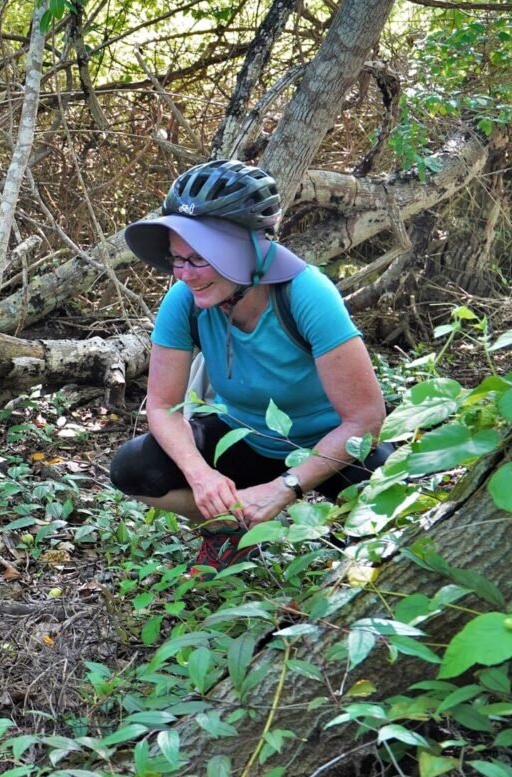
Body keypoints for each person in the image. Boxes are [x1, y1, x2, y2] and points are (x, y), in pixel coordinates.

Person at [111, 159, 391, 570]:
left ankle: (341, 533)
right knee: (134, 468)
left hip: (328, 448)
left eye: (199, 258)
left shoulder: (306, 294)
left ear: (249, 249)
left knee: (389, 500)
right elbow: (162, 406)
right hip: (245, 438)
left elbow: (365, 419)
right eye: (177, 259)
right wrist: (202, 476)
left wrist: (284, 488)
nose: (185, 275)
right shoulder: (184, 300)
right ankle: (232, 527)